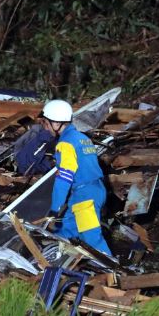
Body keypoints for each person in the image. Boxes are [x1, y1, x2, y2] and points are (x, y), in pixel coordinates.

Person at [40, 100, 112, 256]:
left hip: (85, 197)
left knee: (92, 238)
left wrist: (55, 208)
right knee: (65, 230)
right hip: (93, 190)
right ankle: (58, 260)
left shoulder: (65, 144)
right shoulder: (82, 138)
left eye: (46, 123)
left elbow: (64, 177)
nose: (46, 128)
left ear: (57, 123)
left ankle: (113, 272)